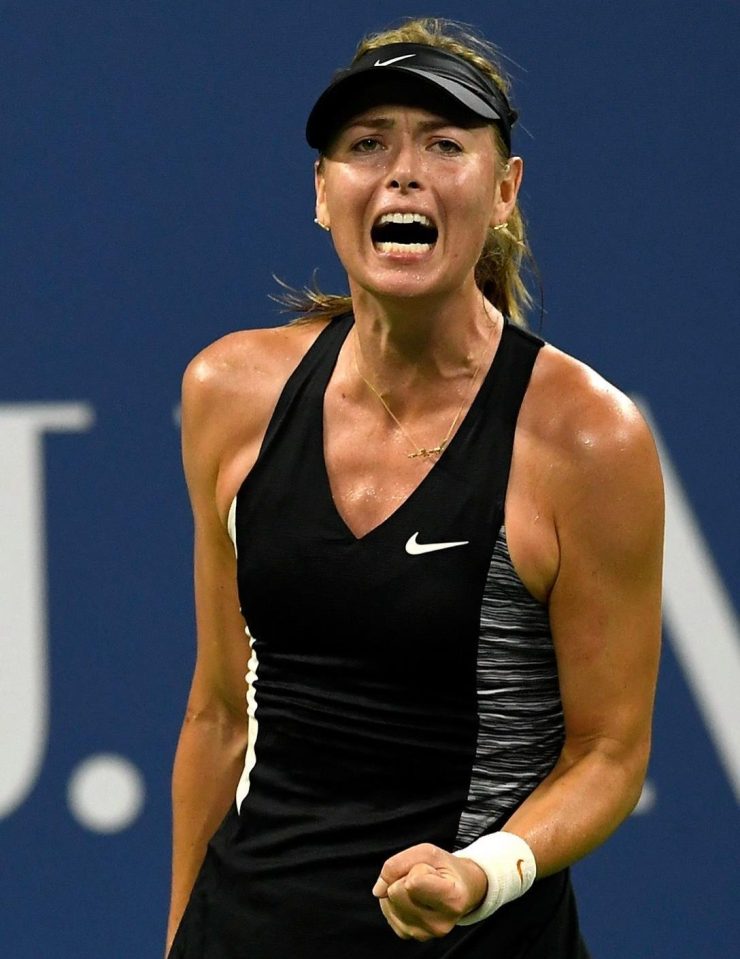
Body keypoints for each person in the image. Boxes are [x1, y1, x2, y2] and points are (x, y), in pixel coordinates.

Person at [165, 17, 664, 959]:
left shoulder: (589, 439)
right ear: (322, 194)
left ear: (504, 190)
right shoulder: (227, 394)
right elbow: (220, 712)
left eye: (444, 144)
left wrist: (485, 871)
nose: (403, 173)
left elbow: (608, 754)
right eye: (367, 145)